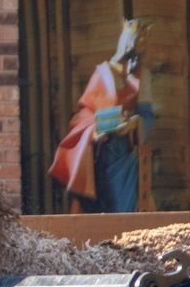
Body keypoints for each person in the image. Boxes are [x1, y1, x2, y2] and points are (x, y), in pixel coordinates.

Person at [49, 19, 155, 212]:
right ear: (127, 42)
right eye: (139, 41)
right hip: (104, 152)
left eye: (145, 42)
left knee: (128, 208)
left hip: (128, 153)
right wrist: (94, 133)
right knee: (105, 208)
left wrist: (133, 124)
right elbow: (85, 116)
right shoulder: (103, 73)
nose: (143, 46)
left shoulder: (143, 75)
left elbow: (146, 114)